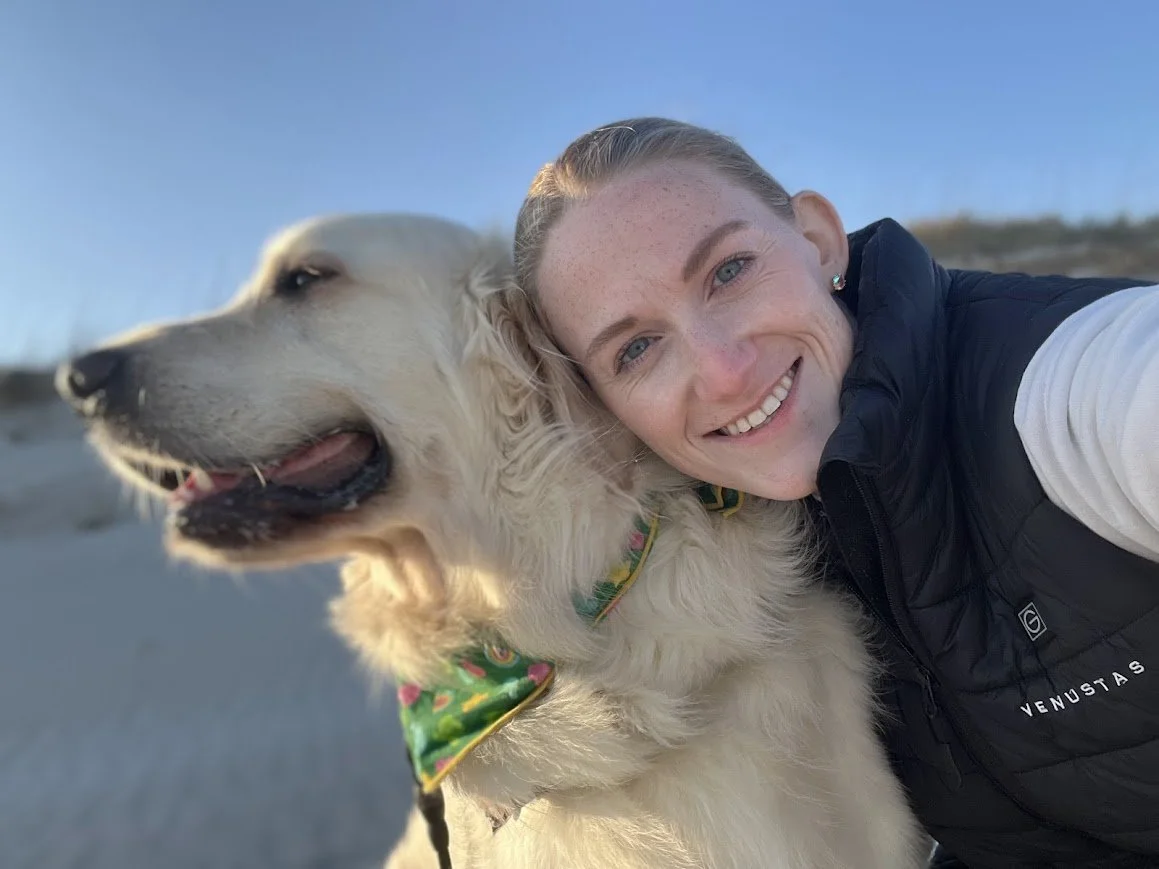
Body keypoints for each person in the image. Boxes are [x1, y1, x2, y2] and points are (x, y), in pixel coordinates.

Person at [511, 117, 1159, 868]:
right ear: (606, 411)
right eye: (636, 348)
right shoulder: (713, 548)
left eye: (728, 270)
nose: (723, 371)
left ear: (817, 238)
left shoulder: (1062, 389)